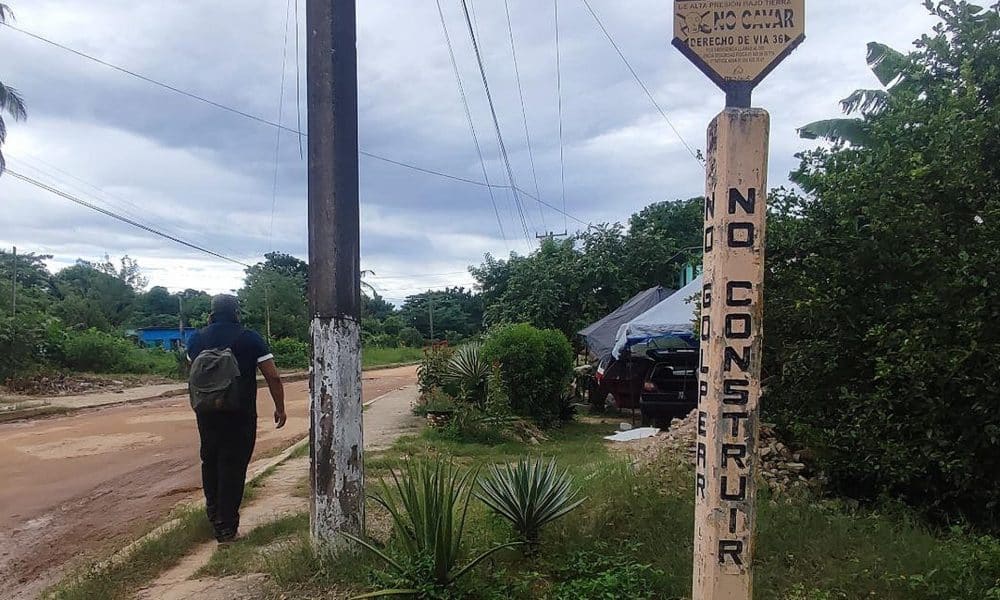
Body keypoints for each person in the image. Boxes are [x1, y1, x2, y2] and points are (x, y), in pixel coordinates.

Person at [186, 294, 286, 543]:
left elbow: (193, 375)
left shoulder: (197, 338)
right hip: (239, 413)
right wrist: (280, 408)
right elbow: (272, 376)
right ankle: (226, 527)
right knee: (233, 466)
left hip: (206, 412)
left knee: (209, 461)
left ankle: (214, 515)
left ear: (211, 313)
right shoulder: (249, 338)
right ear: (237, 313)